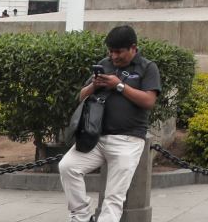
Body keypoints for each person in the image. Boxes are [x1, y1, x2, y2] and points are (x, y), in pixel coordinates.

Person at [60, 25, 161, 222]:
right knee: (67, 167)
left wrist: (119, 85)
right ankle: (81, 216)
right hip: (96, 137)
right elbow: (81, 96)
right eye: (111, 51)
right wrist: (93, 86)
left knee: (114, 196)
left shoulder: (147, 67)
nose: (114, 56)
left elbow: (149, 101)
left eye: (119, 51)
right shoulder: (104, 64)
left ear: (133, 48)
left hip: (129, 139)